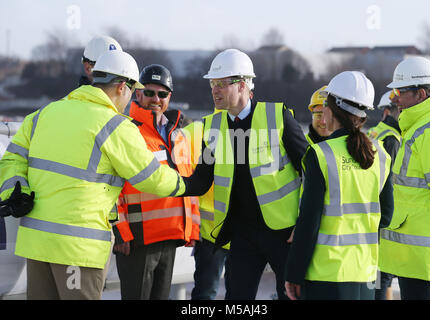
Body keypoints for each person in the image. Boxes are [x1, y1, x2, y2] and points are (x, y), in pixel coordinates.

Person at [0, 50, 186, 300]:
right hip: (78, 250)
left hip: (37, 244)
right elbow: (150, 177)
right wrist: (184, 184)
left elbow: (12, 157)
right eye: (133, 90)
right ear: (122, 86)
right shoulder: (115, 125)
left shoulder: (44, 114)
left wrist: (15, 189)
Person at [181, 48, 308, 300]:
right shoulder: (213, 127)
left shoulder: (277, 117)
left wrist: (303, 225)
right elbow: (200, 181)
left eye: (220, 84)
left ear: (241, 85)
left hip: (283, 233)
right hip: (241, 234)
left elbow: (311, 171)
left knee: (292, 296)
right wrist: (159, 179)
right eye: (212, 84)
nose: (214, 90)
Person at [285, 71, 393, 300]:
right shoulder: (380, 154)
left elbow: (308, 223)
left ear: (331, 109)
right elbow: (387, 216)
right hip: (365, 272)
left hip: (326, 275)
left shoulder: (321, 155)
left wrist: (293, 274)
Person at [112, 64, 200, 300]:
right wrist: (120, 231)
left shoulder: (177, 134)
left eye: (162, 94)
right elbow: (111, 185)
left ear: (169, 97)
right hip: (138, 239)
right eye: (149, 92)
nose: (155, 99)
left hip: (170, 236)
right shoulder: (126, 129)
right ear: (137, 93)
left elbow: (187, 183)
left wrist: (191, 228)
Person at [379, 56, 430, 300]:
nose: (395, 98)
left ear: (420, 94)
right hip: (415, 258)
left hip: (426, 259)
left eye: (400, 90)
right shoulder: (419, 128)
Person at [183, 119, 231, 300]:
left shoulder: (194, 131)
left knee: (210, 291)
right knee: (208, 292)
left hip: (236, 232)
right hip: (211, 233)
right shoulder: (196, 131)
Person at [367, 90, 401, 300]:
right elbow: (393, 182)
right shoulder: (392, 139)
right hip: (386, 216)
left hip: (372, 212)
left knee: (377, 276)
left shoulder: (373, 133)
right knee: (383, 275)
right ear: (389, 112)